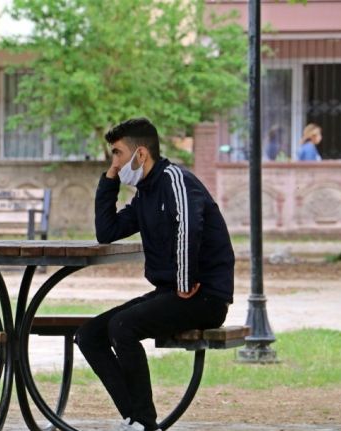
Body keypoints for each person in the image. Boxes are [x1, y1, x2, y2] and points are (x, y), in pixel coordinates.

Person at [75, 118, 234, 431]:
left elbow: (189, 226)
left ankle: (144, 422)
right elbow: (107, 231)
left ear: (141, 154)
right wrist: (109, 178)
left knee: (123, 326)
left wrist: (184, 280)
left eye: (118, 154)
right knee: (89, 334)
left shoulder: (176, 180)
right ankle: (136, 419)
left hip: (203, 296)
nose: (116, 162)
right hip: (173, 293)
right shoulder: (144, 193)